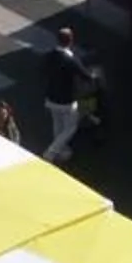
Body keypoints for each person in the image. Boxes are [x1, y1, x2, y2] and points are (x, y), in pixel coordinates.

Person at [41, 28, 86, 163]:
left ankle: (62, 151)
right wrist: (93, 76)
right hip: (67, 101)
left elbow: (42, 71)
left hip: (51, 98)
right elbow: (84, 75)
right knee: (71, 127)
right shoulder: (70, 59)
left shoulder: (49, 56)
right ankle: (52, 151)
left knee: (58, 125)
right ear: (71, 41)